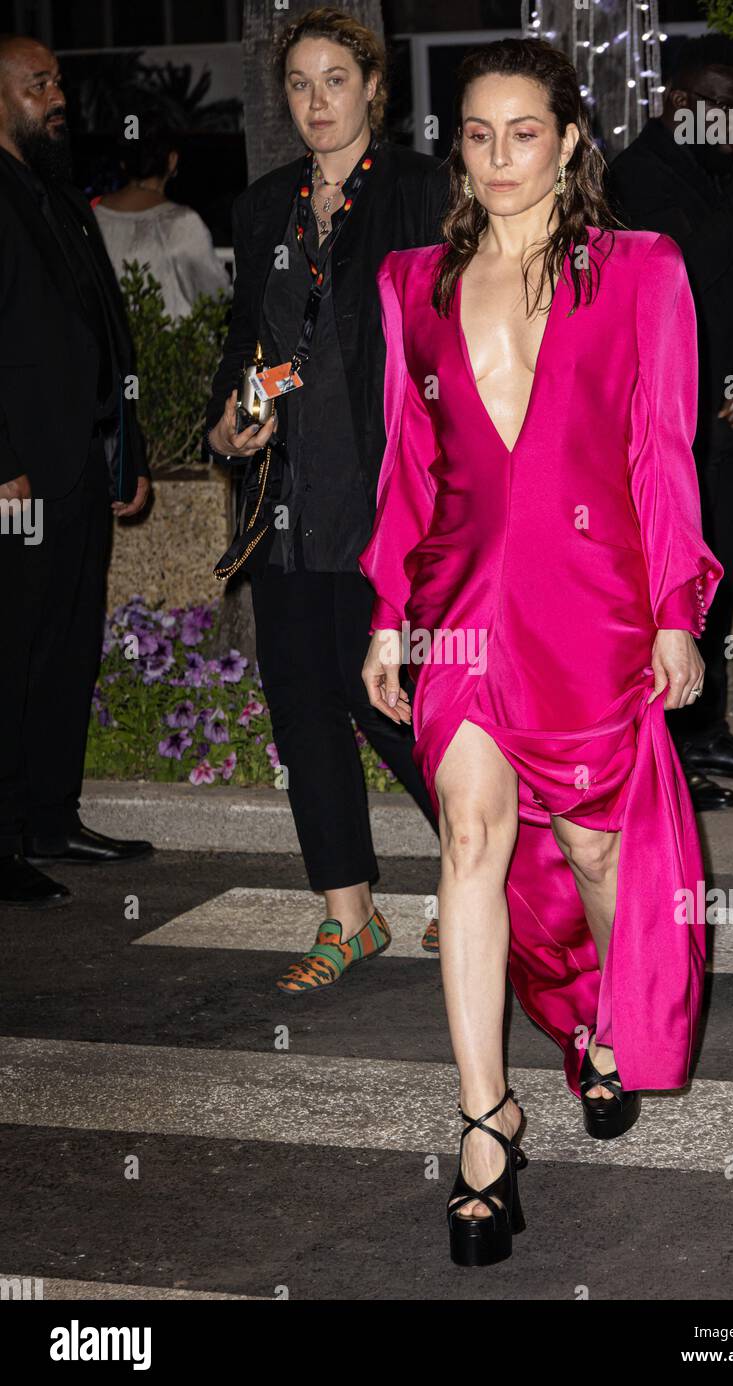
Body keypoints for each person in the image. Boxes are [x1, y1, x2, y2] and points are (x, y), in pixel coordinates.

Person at [359, 37, 723, 1267]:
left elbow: (660, 449)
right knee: (468, 836)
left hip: (590, 603)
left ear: (569, 137)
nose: (501, 156)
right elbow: (406, 469)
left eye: (524, 131)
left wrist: (676, 607)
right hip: (457, 600)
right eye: (476, 133)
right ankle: (482, 1123)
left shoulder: (639, 270)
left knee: (589, 847)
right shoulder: (410, 281)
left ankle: (609, 1018)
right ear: (453, 144)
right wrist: (381, 614)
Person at [204, 7, 449, 986]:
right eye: (299, 84)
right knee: (303, 706)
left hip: (385, 490)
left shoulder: (419, 194)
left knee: (393, 703)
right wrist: (229, 424)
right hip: (284, 488)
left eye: (334, 80)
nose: (316, 101)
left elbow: (453, 346)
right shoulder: (264, 207)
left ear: (372, 87)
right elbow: (245, 348)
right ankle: (346, 913)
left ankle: (486, 872)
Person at [607, 33, 733, 813]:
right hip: (661, 422)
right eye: (719, 107)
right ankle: (663, 752)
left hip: (723, 419)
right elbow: (686, 263)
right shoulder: (633, 176)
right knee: (671, 592)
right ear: (676, 103)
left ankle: (706, 728)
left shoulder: (718, 170)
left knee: (726, 576)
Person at [0, 35, 153, 910]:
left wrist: (122, 447)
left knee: (66, 643)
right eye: (37, 84)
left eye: (58, 80)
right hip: (16, 478)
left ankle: (53, 817)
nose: (57, 94)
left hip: (79, 467)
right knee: (11, 648)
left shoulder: (59, 192)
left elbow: (105, 330)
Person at [94, 124, 230, 320]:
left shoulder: (94, 217)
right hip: (173, 346)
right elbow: (214, 292)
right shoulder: (181, 223)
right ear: (172, 160)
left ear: (123, 162)